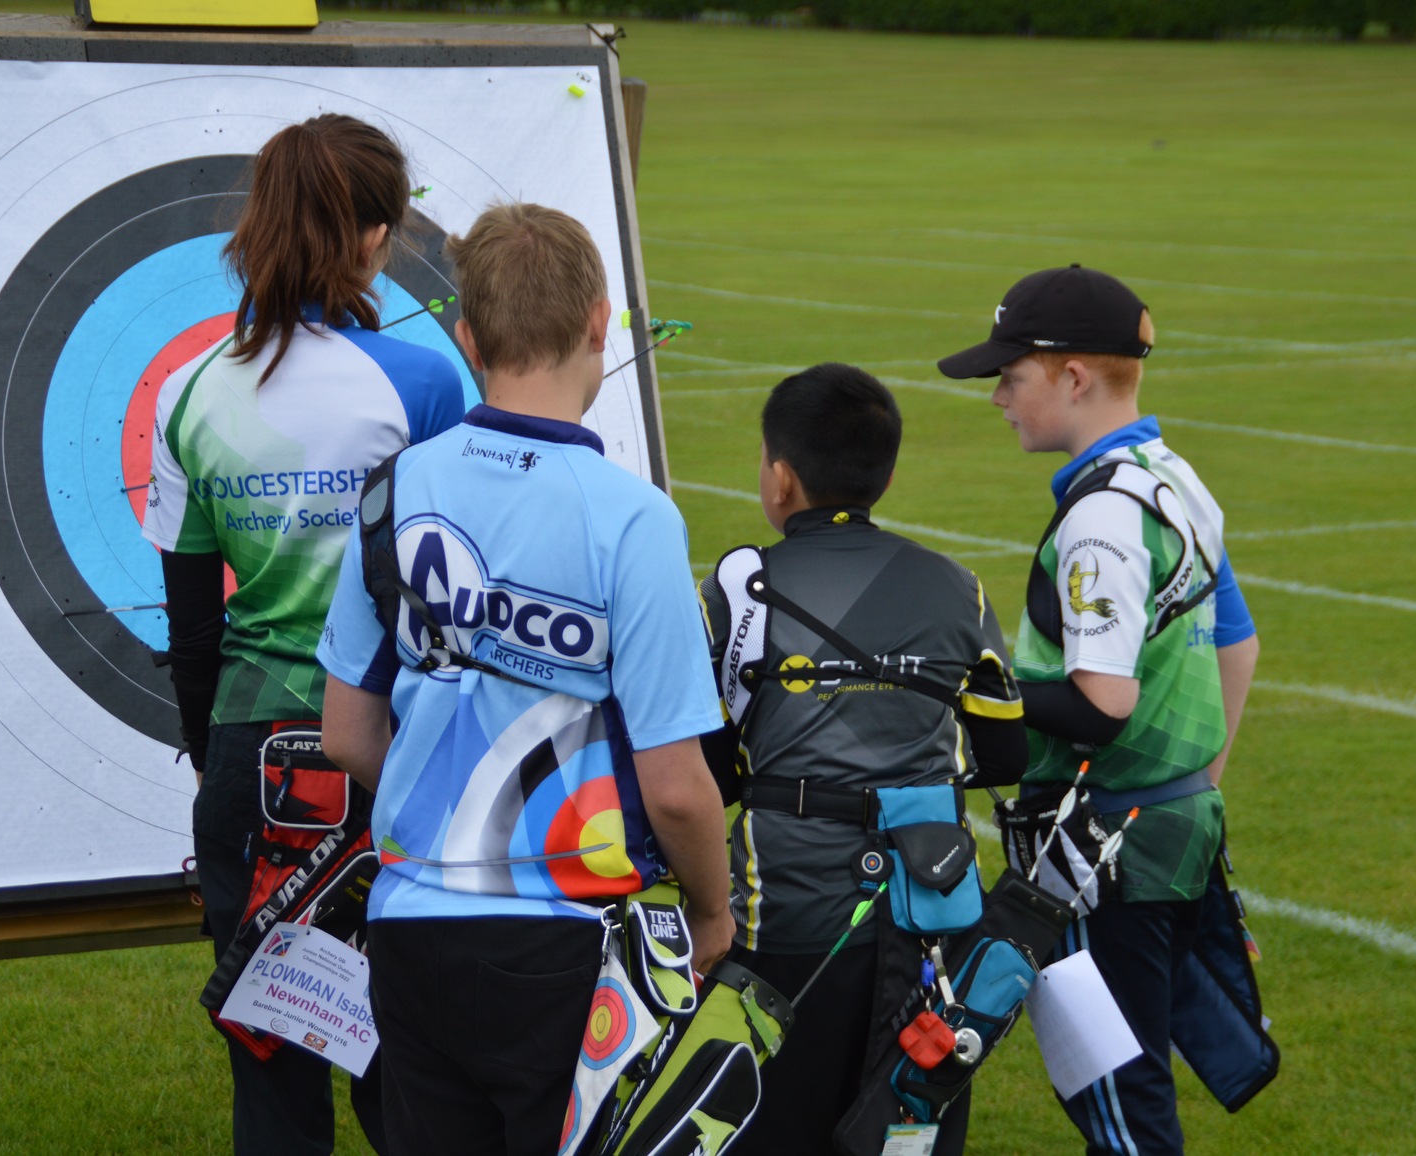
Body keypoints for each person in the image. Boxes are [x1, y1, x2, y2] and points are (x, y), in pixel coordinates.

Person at [317, 202, 734, 1156]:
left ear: (467, 336)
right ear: (600, 324)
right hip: (561, 937)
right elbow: (676, 786)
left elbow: (346, 733)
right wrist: (711, 913)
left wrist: (448, 820)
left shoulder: (395, 487)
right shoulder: (633, 520)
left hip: (411, 927)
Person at [144, 114, 468, 1156]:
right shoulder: (419, 383)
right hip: (392, 749)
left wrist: (212, 763)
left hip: (250, 750)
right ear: (374, 236)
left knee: (273, 1054)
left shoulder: (191, 390)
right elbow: (447, 588)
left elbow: (191, 628)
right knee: (407, 1054)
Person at [937, 264, 1260, 1156]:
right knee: (1134, 1083)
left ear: (1073, 376)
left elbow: (1103, 706)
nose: (997, 394)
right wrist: (1190, 788)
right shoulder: (1174, 476)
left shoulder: (1101, 516)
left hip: (1100, 849)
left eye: (1012, 374)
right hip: (1170, 825)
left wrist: (965, 695)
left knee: (1117, 1102)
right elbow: (1239, 644)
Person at [696, 364, 1028, 1156]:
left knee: (779, 1125)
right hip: (928, 914)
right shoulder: (959, 588)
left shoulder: (741, 589)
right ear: (883, 472)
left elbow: (712, 769)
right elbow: (1004, 751)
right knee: (905, 1121)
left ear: (781, 479)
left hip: (784, 916)